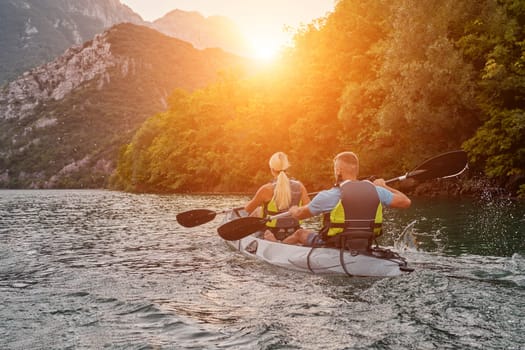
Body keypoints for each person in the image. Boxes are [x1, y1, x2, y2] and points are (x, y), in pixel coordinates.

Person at [274, 151, 411, 249]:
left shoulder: (329, 195)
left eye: (334, 169)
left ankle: (278, 249)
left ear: (338, 170)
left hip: (335, 244)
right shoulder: (376, 191)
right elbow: (406, 201)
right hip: (364, 243)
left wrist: (294, 210)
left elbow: (301, 214)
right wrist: (385, 186)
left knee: (299, 233)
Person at [244, 152, 310, 241]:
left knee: (258, 210)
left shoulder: (266, 189)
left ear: (272, 169)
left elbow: (248, 209)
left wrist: (249, 204)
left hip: (272, 232)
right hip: (294, 229)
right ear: (287, 168)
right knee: (259, 210)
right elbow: (309, 209)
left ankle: (246, 236)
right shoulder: (300, 186)